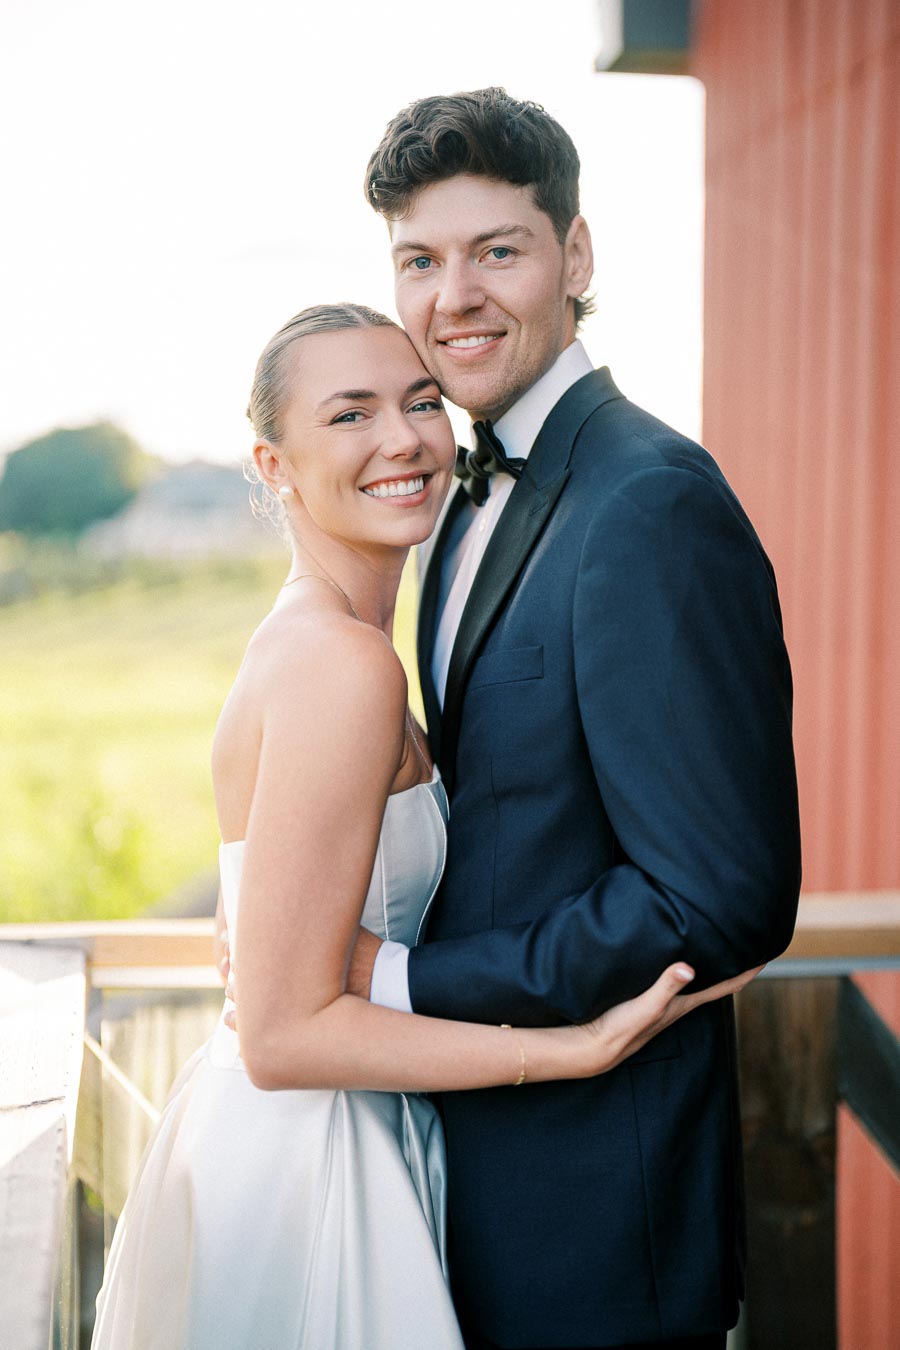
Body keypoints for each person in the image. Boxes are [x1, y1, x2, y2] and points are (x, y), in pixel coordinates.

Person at [90, 303, 753, 1350]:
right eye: (350, 414)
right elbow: (281, 1034)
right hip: (312, 1161)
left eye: (420, 402)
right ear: (275, 463)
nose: (401, 438)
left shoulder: (331, 639)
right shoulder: (342, 667)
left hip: (351, 1128)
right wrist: (569, 1052)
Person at [340, 89, 803, 1350]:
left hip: (607, 1209)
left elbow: (719, 896)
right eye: (421, 262)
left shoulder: (648, 503)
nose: (455, 297)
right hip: (477, 1169)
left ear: (576, 255)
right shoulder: (457, 494)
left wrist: (409, 981)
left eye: (499, 249)